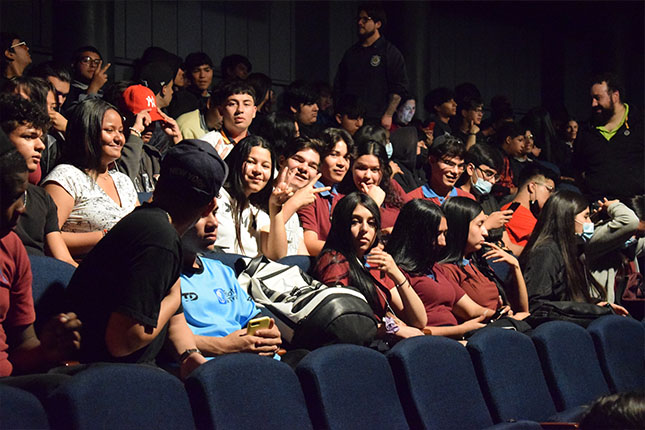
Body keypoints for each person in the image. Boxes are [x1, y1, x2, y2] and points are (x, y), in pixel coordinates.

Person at [65, 139, 227, 378]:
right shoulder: (159, 238)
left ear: (158, 183)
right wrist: (174, 297)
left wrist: (189, 356)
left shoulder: (152, 224)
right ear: (209, 206)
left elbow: (174, 319)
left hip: (122, 372)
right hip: (104, 377)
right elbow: (122, 342)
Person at [0, 137, 81, 399]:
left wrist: (47, 349)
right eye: (13, 198)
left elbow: (23, 345)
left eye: (23, 196)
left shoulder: (11, 247)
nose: (22, 208)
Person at [180, 197, 282, 358]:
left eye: (215, 213)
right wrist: (226, 346)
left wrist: (269, 334)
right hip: (210, 366)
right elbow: (165, 340)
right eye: (201, 215)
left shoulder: (221, 270)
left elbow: (253, 318)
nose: (214, 223)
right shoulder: (159, 276)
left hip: (256, 361)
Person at [313, 192, 427, 337]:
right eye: (355, 222)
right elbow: (343, 323)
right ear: (340, 225)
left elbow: (419, 321)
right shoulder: (334, 261)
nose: (365, 229)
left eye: (371, 223)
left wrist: (397, 274)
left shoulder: (372, 264)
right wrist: (389, 329)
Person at [385, 199, 494, 339]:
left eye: (445, 234)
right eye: (437, 234)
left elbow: (472, 310)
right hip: (430, 343)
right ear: (417, 235)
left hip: (456, 338)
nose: (443, 242)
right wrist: (461, 330)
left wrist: (499, 315)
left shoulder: (435, 268)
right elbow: (414, 328)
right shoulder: (394, 273)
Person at [42, 99, 138, 258]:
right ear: (87, 132)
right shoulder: (66, 177)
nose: (119, 138)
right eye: (109, 130)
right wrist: (104, 237)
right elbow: (46, 236)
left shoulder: (123, 181)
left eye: (121, 131)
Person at [519, 190, 628, 315]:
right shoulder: (546, 252)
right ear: (567, 218)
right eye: (585, 217)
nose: (590, 223)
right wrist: (591, 310)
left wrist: (596, 305)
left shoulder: (570, 249)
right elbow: (537, 305)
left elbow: (568, 299)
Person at [0, 94, 76, 266]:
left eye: (40, 138)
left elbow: (63, 259)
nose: (41, 146)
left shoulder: (42, 198)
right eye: (28, 136)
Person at [438, 197, 529, 314]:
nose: (485, 232)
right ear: (461, 228)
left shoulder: (477, 262)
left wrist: (515, 266)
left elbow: (523, 310)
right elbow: (471, 313)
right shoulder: (447, 270)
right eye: (480, 225)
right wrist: (501, 316)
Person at [212, 135, 291, 260]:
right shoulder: (215, 196)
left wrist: (276, 207)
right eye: (251, 162)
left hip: (247, 271)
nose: (258, 170)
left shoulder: (258, 215)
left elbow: (277, 255)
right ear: (237, 162)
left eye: (265, 166)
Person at [333, 3, 408, 130]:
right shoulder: (351, 53)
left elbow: (399, 88)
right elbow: (339, 84)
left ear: (377, 24)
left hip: (376, 118)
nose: (360, 23)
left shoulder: (390, 52)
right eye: (358, 19)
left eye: (365, 19)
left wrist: (388, 114)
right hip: (351, 118)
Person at [573, 73, 643, 203]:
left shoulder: (639, 124)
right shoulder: (586, 131)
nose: (593, 104)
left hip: (635, 208)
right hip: (598, 206)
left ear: (615, 96)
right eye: (592, 99)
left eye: (598, 98)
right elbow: (578, 169)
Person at [298, 128, 354, 256]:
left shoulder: (341, 198)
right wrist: (352, 253)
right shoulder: (308, 194)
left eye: (346, 157)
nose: (342, 163)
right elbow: (310, 244)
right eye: (334, 154)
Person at [338, 138, 409, 235]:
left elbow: (412, 217)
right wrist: (372, 203)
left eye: (375, 170)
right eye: (361, 168)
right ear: (351, 168)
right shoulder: (340, 198)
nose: (367, 176)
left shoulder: (392, 186)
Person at [500, 165, 558, 255]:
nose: (551, 196)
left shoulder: (527, 212)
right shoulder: (514, 212)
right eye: (549, 190)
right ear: (532, 187)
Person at [406, 136, 475, 205]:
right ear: (432, 160)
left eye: (460, 166)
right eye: (449, 163)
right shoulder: (413, 200)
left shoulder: (468, 200)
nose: (455, 171)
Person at [62, 46, 110, 114]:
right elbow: (78, 115)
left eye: (97, 62)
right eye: (86, 60)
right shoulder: (66, 90)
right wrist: (93, 88)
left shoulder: (106, 92)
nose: (93, 65)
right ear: (74, 64)